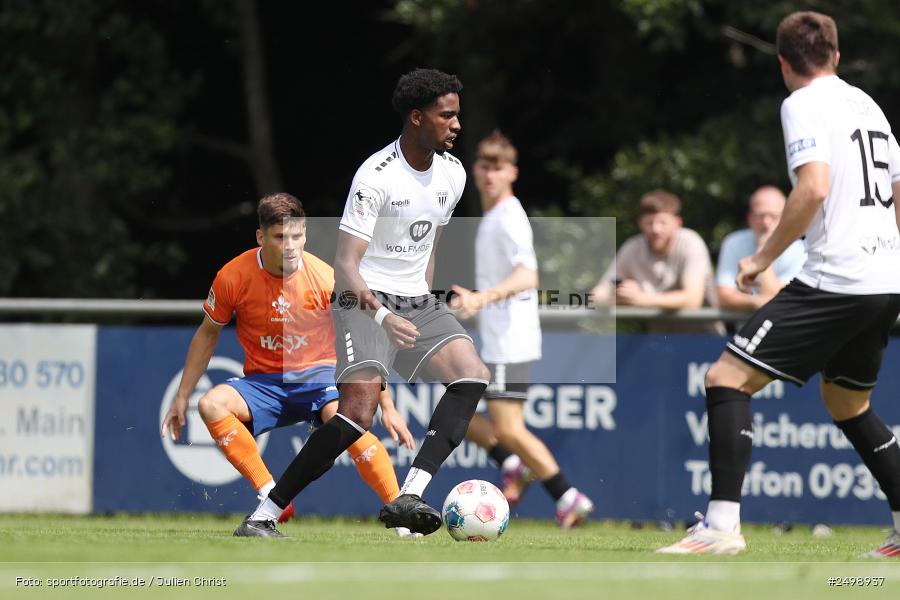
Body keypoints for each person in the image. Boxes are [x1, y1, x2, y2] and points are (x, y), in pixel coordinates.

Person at [658, 11, 900, 556]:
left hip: (837, 276)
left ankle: (721, 526)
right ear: (836, 55)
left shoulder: (803, 103)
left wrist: (762, 258)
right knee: (846, 402)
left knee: (726, 377)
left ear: (783, 63)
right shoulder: (871, 107)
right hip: (885, 276)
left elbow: (813, 187)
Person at [235, 68, 491, 537]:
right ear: (417, 118)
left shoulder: (452, 175)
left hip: (415, 300)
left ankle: (410, 495)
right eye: (446, 115)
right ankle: (264, 514)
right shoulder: (375, 176)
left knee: (471, 373)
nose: (457, 124)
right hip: (362, 299)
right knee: (356, 416)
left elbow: (427, 244)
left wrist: (425, 306)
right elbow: (346, 266)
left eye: (457, 115)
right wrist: (384, 316)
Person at [160, 193, 415, 536]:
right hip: (264, 383)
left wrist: (387, 405)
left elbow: (365, 344)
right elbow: (207, 335)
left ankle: (402, 518)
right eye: (281, 237)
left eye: (298, 236)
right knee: (210, 404)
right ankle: (271, 497)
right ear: (261, 237)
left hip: (320, 376)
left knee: (349, 422)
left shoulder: (327, 280)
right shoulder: (232, 276)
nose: (291, 245)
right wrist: (182, 396)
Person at [450, 130, 594, 528]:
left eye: (498, 168)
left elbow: (528, 275)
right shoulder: (494, 217)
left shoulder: (510, 216)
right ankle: (514, 466)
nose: (490, 175)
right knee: (454, 413)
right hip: (500, 340)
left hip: (510, 343)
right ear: (475, 171)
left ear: (512, 172)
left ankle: (567, 495)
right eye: (484, 167)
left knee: (509, 428)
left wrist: (482, 298)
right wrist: (477, 299)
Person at [591, 189, 724, 334]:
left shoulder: (690, 242)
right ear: (640, 223)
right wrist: (622, 295)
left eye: (663, 222)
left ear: (677, 223)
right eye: (650, 222)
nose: (656, 229)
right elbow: (596, 296)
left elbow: (692, 300)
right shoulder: (632, 248)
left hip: (707, 341)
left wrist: (641, 298)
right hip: (662, 343)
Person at [716, 186, 806, 311]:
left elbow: (779, 298)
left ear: (785, 217)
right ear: (750, 218)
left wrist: (763, 251)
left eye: (773, 216)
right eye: (760, 215)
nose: (766, 222)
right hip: (744, 328)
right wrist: (755, 301)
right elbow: (723, 296)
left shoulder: (800, 250)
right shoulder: (733, 242)